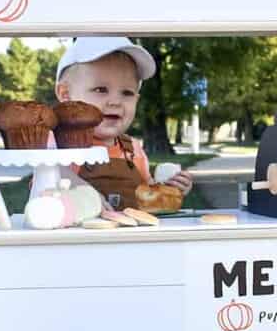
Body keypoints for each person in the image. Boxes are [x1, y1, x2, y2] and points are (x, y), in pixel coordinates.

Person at [54, 36, 193, 209]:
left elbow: (149, 196)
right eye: (100, 90)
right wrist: (82, 192)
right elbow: (49, 184)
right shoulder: (60, 148)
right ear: (65, 94)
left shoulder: (133, 150)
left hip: (132, 236)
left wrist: (169, 190)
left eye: (127, 93)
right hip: (82, 235)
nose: (115, 102)